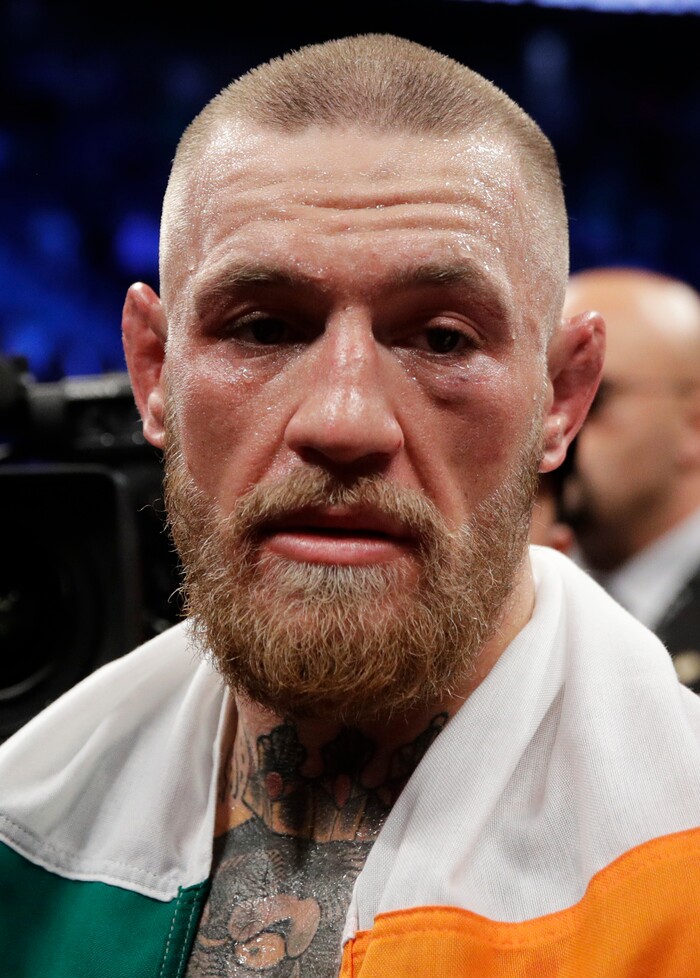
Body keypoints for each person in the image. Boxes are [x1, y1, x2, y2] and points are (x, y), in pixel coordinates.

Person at [2, 33, 700, 978]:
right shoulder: (22, 837)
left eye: (443, 339)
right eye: (266, 327)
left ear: (563, 397)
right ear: (154, 373)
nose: (344, 420)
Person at [562, 266, 700, 692]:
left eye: (595, 397)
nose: (557, 425)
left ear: (695, 424)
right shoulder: (512, 601)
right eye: (543, 395)